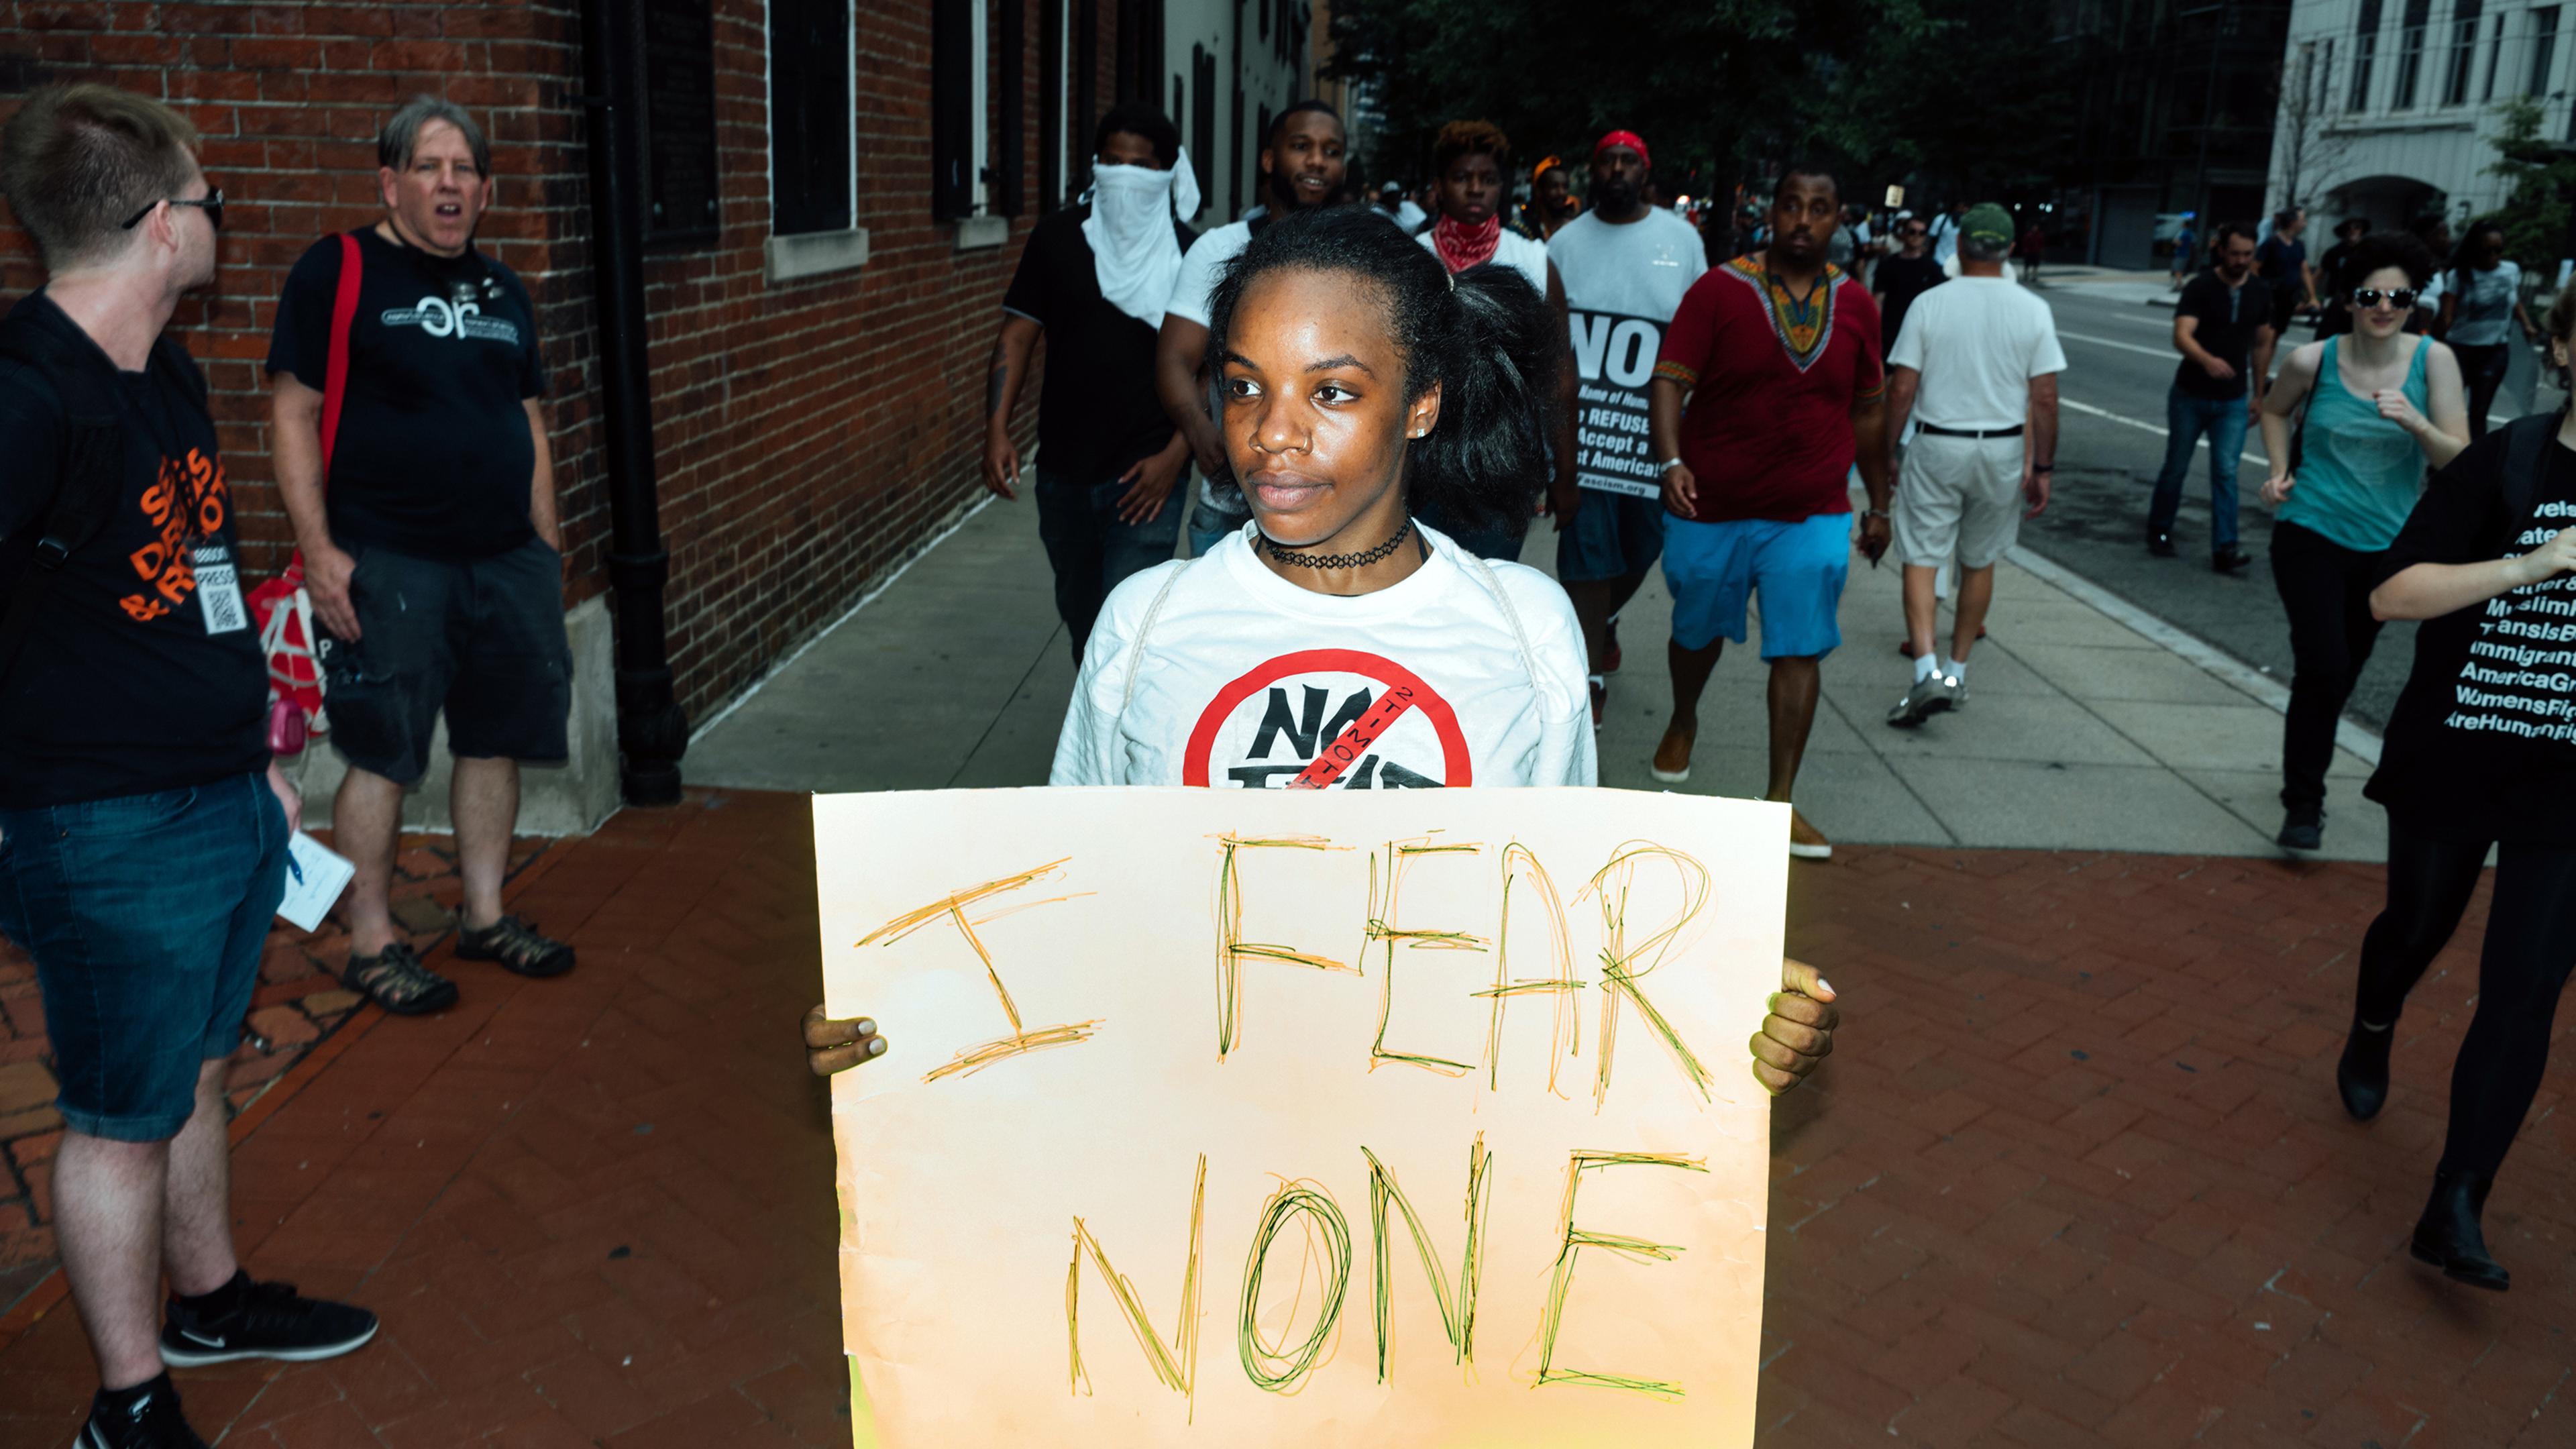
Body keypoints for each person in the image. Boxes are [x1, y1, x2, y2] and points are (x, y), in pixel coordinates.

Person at [800, 205, 1841, 1097]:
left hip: (1431, 1170)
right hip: (1192, 1150)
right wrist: (909, 1016)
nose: (1271, 434)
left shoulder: (1525, 629)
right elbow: (1074, 910)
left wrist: (1727, 1015)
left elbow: (1561, 929)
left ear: (1422, 403)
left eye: (1331, 392)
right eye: (1245, 386)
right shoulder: (1145, 621)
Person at [0, 83, 379, 1449]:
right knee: (117, 1118)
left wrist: (256, 758)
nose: (221, 218)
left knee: (198, 1070)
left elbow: (199, 575)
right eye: (210, 200)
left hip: (222, 797)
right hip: (99, 824)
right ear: (163, 225)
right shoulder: (25, 399)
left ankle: (208, 1301)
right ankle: (127, 1401)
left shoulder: (158, 369)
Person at [268, 96, 574, 1016]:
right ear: (388, 182)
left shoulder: (504, 292)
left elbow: (529, 423)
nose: (449, 184)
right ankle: (371, 941)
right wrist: (319, 550)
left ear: (487, 192)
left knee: (495, 742)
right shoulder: (340, 268)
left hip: (506, 561)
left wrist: (547, 554)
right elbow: (292, 410)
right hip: (390, 558)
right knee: (383, 753)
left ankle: (483, 918)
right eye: (429, 166)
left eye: (464, 171)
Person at [2334, 284, 2576, 1293]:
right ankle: (2376, 1014)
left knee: (2525, 993)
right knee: (2419, 926)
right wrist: (2536, 564)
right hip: (2461, 752)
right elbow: (2392, 594)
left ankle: (2456, 1201)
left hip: (2568, 786)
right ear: (2561, 344)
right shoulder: (2511, 459)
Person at [1645, 166, 1890, 861]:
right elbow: (1668, 382)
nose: (1803, 221)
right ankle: (1685, 715)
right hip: (1710, 504)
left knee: (1800, 647)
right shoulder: (1718, 290)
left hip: (1811, 508)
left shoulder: (1860, 306)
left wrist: (1881, 503)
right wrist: (1670, 462)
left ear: (1839, 218)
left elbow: (1870, 412)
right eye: (1791, 206)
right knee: (1695, 628)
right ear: (1772, 213)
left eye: (1819, 208)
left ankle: (1779, 803)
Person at [2256, 233, 2469, 852]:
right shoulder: (2312, 361)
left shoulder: (2435, 362)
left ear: (2413, 300)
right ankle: (2303, 803)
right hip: (2310, 533)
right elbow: (2273, 411)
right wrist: (2277, 471)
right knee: (2322, 666)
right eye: (2371, 295)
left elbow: (2459, 460)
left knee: (2341, 673)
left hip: (2388, 549)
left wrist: (2417, 422)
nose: (2384, 306)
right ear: (2349, 299)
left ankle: (2306, 760)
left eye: (2398, 296)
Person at [981, 104, 1197, 661]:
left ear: (1167, 173)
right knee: (1084, 627)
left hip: (1148, 474)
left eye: (1141, 166)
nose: (1124, 177)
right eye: (1111, 163)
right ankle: (1096, 740)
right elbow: (1017, 337)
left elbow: (1216, 367)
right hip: (1063, 472)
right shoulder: (1057, 238)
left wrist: (1177, 456)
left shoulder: (1191, 253)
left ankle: (1115, 749)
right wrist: (997, 430)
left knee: (1124, 638)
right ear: (1094, 166)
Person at [1545, 129, 1708, 726]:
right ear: (1593, 172)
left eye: (1628, 162)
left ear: (1646, 172)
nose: (1617, 170)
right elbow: (1550, 338)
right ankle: (1587, 672)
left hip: (1652, 430)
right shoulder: (1565, 242)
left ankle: (1603, 620)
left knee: (1643, 547)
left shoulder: (1681, 239)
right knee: (1586, 553)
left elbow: (1697, 331)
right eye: (1607, 161)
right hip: (1585, 431)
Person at [1880, 204, 2066, 727]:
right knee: (1979, 560)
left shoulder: (1930, 303)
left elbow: (1902, 388)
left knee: (1922, 555)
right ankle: (1958, 670)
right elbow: (2046, 398)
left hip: (1939, 443)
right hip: (2003, 447)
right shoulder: (2032, 310)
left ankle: (1925, 670)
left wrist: (1888, 449)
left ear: (1959, 247)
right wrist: (2044, 467)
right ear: (2010, 249)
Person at [1158, 100, 1349, 559]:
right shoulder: (1220, 249)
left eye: (1332, 150)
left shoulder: (1364, 254)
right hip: (1230, 513)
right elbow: (1174, 359)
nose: (1317, 160)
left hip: (1339, 508)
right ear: (1269, 159)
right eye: (1301, 146)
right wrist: (1200, 432)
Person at [1412, 118, 1576, 561]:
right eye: (1462, 178)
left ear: (1501, 188)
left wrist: (1565, 473)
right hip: (1420, 455)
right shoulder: (1409, 257)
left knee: (1488, 586)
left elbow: (1560, 375)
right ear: (1440, 186)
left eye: (1487, 180)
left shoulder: (1533, 260)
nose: (1475, 189)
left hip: (1504, 456)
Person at [2145, 223, 2273, 570]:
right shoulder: (2201, 286)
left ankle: (2226, 548)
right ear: (2221, 251)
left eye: (2247, 254)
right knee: (2176, 466)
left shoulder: (2260, 291)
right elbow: (2181, 335)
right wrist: (2206, 360)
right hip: (2190, 395)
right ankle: (2159, 529)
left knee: (2226, 472)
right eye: (2235, 254)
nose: (2241, 260)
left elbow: (2262, 345)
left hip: (2232, 400)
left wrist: (2259, 395)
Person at [2437, 221, 2541, 439]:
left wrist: (2527, 325)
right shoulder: (2460, 275)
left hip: (2494, 351)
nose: (2494, 255)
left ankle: (2474, 460)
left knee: (2479, 411)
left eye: (2499, 250)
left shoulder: (2510, 270)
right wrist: (2439, 339)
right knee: (2448, 408)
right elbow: (2447, 312)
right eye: (2487, 250)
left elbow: (2514, 301)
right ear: (2475, 250)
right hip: (2460, 350)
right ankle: (2442, 458)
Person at [1872, 214, 1946, 364]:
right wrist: (1875, 332)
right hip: (1890, 332)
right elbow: (1878, 300)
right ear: (1904, 233)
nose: (1916, 236)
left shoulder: (1933, 269)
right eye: (1912, 231)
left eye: (1921, 233)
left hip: (1920, 334)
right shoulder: (1888, 265)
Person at [2256, 207, 2318, 341]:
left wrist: (2312, 297)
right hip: (2271, 298)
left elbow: (2305, 270)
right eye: (2302, 220)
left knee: (2277, 334)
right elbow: (2254, 268)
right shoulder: (2271, 243)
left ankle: (2266, 362)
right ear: (2292, 222)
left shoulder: (2299, 245)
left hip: (2289, 299)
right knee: (2268, 334)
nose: (2305, 224)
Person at [2316, 217, 2369, 339]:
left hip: (2359, 299)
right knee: (2329, 331)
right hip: (2334, 296)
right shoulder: (2334, 252)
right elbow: (2319, 275)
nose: (2353, 231)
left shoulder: (2367, 252)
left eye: (2357, 228)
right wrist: (2312, 298)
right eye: (2349, 229)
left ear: (2362, 231)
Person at [1522, 155, 1578, 241]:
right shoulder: (1522, 231)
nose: (1561, 192)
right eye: (1554, 186)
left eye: (1565, 187)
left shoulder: (1573, 229)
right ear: (1539, 191)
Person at [1927, 199, 1968, 270]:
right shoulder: (1940, 220)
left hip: (1956, 265)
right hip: (1939, 261)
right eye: (1957, 208)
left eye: (1962, 208)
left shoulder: (1967, 223)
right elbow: (1932, 239)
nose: (1959, 211)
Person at [2015, 219, 2045, 285]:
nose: (2035, 228)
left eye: (2036, 227)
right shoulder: (2028, 235)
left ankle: (2034, 276)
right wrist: (2025, 250)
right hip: (2029, 252)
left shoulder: (2040, 235)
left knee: (2036, 265)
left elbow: (2042, 244)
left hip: (2036, 251)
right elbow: (2024, 243)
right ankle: (2026, 275)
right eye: (2034, 227)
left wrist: (2041, 251)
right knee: (2027, 265)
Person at [2168, 218, 2196, 289]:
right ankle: (2179, 284)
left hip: (2181, 254)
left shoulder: (2183, 233)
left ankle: (2179, 285)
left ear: (2184, 225)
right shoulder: (2191, 233)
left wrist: (2175, 241)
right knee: (2179, 270)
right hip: (2186, 254)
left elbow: (2179, 243)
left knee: (2178, 270)